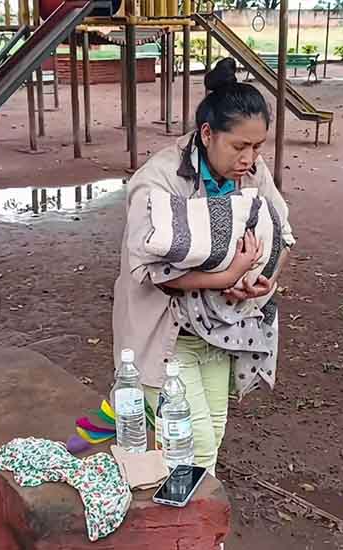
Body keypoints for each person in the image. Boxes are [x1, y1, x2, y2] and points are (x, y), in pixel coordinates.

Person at [112, 58, 296, 476]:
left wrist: (263, 281)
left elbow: (283, 235)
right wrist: (227, 277)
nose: (249, 159)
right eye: (239, 147)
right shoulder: (159, 179)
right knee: (193, 445)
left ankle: (194, 514)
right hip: (167, 333)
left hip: (219, 330)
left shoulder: (252, 172)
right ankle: (188, 514)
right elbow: (148, 267)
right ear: (207, 133)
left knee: (212, 431)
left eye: (258, 147)